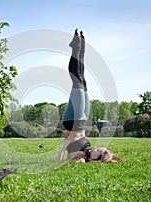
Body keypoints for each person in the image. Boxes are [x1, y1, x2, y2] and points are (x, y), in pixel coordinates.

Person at [56, 29, 92, 163]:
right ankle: (80, 47)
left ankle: (76, 47)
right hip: (81, 121)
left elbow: (68, 141)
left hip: (74, 121)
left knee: (77, 79)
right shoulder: (89, 156)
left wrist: (61, 152)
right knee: (82, 80)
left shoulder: (73, 155)